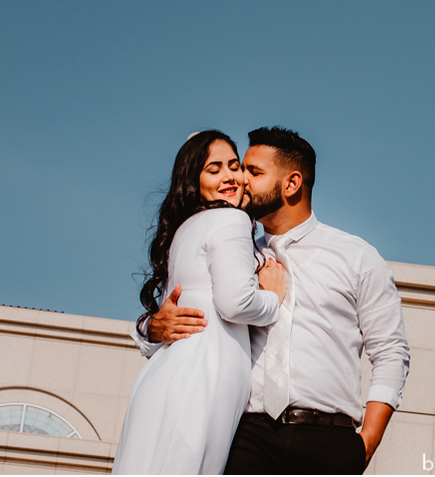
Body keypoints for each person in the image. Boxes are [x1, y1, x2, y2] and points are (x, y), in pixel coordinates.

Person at [139, 127, 410, 474]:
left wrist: (367, 441)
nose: (239, 180)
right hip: (245, 436)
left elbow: (391, 351)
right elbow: (175, 321)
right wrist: (152, 327)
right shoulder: (232, 252)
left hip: (329, 440)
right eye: (240, 169)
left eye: (253, 172)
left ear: (292, 183)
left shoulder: (357, 257)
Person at [114, 131, 288, 474]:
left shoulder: (184, 230)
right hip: (203, 378)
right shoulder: (230, 219)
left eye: (234, 166)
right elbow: (235, 303)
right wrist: (273, 298)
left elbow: (168, 318)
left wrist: (150, 327)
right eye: (214, 169)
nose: (229, 177)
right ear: (194, 181)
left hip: (171, 375)